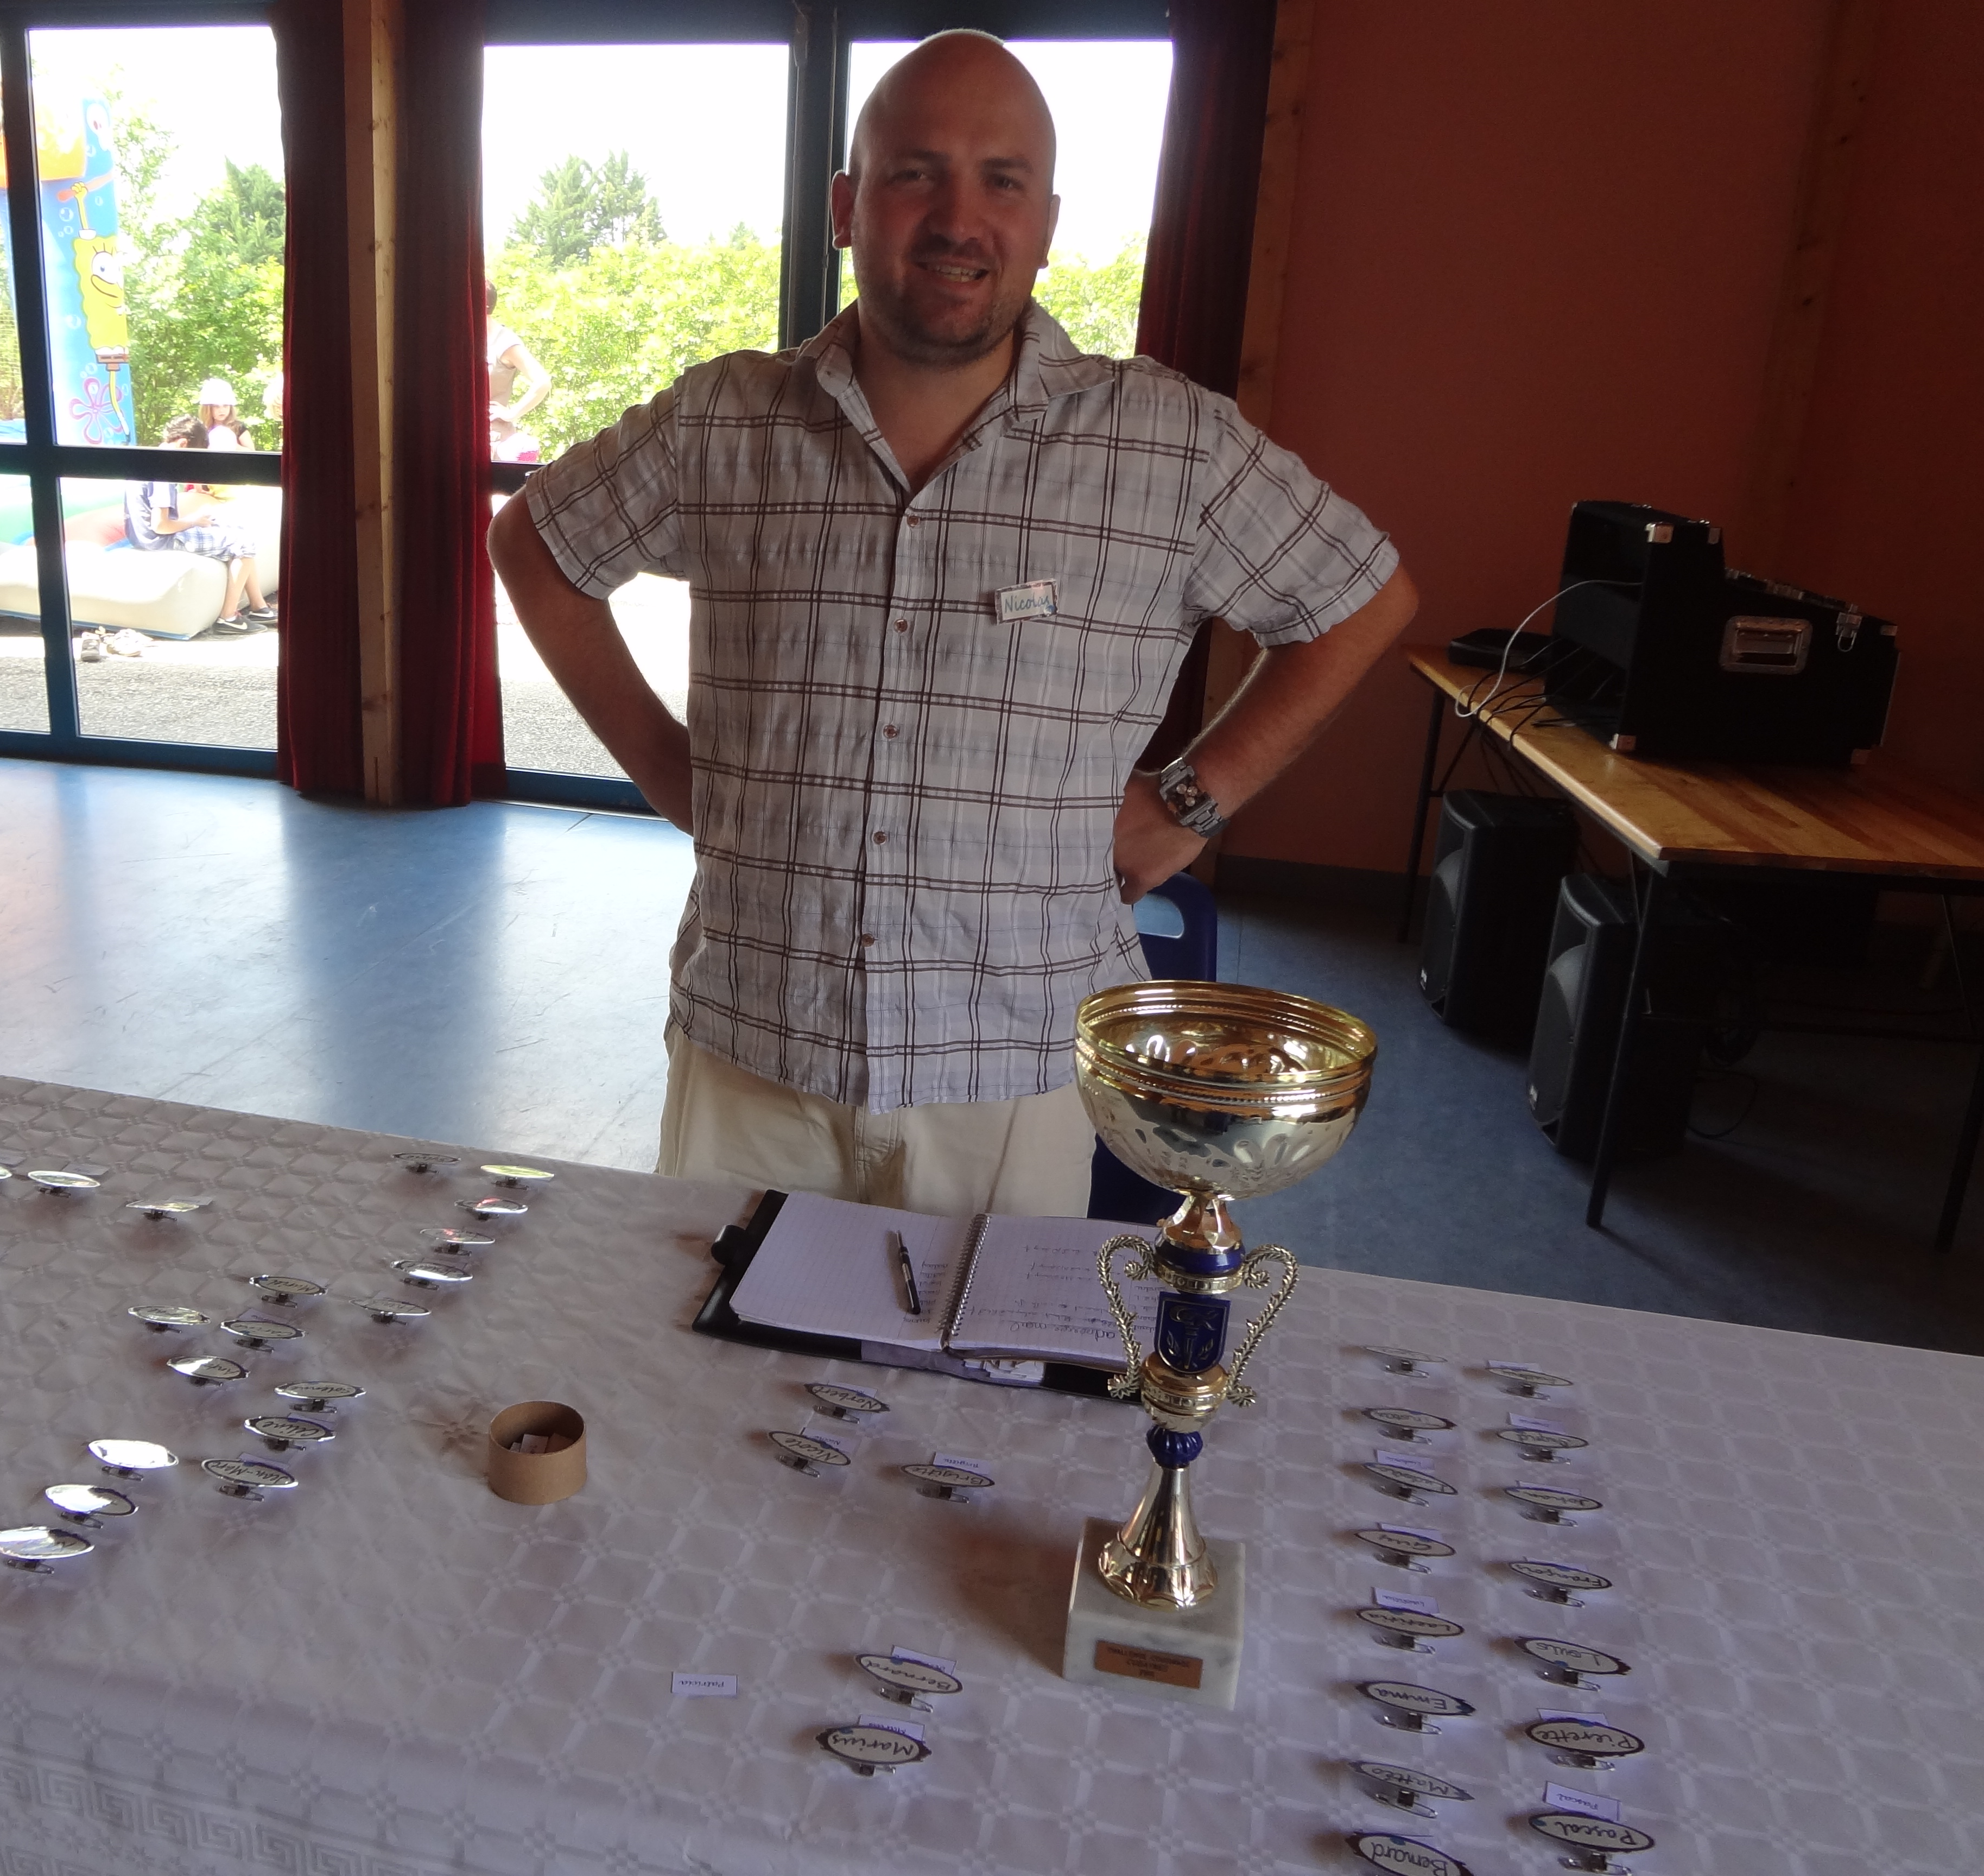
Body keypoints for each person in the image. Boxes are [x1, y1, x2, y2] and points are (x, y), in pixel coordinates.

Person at [487, 31, 1417, 1221]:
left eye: (1002, 180)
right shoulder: (722, 422)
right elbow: (537, 544)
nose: (958, 218)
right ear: (847, 207)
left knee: (982, 1353)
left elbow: (1361, 598)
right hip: (753, 1048)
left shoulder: (1169, 445)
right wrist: (671, 770)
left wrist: (1194, 797)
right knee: (707, 1342)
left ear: (1046, 222)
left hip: (1010, 1067)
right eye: (915, 172)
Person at [124, 415, 274, 632]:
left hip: (142, 537)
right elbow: (160, 526)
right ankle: (228, 617)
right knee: (244, 543)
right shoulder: (163, 470)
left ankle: (259, 607)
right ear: (183, 444)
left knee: (236, 529)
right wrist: (193, 521)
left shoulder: (148, 458)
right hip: (160, 541)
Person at [486, 283, 551, 463]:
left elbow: (543, 382)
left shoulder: (504, 341)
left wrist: (512, 414)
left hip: (492, 439)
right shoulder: (462, 338)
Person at [197, 377, 249, 451]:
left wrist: (232, 444)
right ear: (208, 409)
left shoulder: (238, 428)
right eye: (216, 407)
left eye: (226, 406)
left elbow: (253, 453)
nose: (222, 410)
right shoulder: (201, 429)